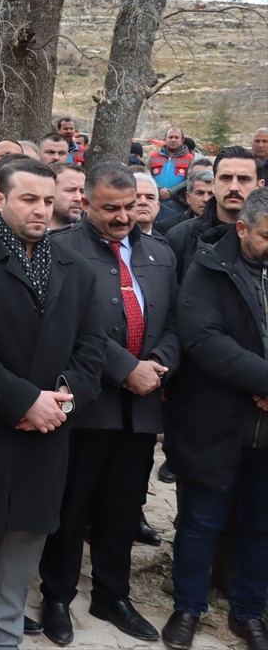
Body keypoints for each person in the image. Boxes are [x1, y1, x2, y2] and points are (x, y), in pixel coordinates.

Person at [0, 156, 106, 650]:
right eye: (29, 199)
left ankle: (2, 640)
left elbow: (93, 347)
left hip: (48, 432)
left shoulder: (76, 269)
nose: (40, 210)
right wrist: (24, 400)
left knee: (23, 551)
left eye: (48, 200)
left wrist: (61, 401)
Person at [37, 162, 179, 646]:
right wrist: (125, 367)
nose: (122, 217)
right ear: (85, 204)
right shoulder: (60, 249)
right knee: (72, 506)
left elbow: (176, 321)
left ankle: (112, 594)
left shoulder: (160, 253)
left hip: (142, 407)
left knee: (122, 506)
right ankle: (57, 595)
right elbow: (70, 325)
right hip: (88, 404)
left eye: (130, 207)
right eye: (110, 208)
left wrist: (159, 364)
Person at [162, 187, 268, 650]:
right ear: (242, 229)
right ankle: (187, 607)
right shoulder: (208, 266)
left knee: (260, 527)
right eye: (267, 236)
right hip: (216, 421)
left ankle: (248, 613)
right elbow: (203, 339)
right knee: (200, 521)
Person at [167, 145, 263, 279]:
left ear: (259, 185)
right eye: (226, 178)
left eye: (244, 179)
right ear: (213, 184)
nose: (234, 187)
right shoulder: (180, 238)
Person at [150, 127, 195, 200]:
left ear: (182, 140)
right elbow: (148, 176)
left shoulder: (190, 159)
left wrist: (171, 191)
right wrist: (159, 188)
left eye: (176, 137)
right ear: (165, 139)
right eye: (170, 137)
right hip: (155, 198)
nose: (173, 140)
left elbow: (190, 179)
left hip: (179, 201)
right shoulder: (153, 157)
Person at [48, 162, 86, 232]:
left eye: (82, 191)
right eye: (70, 190)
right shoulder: (30, 235)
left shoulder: (92, 236)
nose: (79, 198)